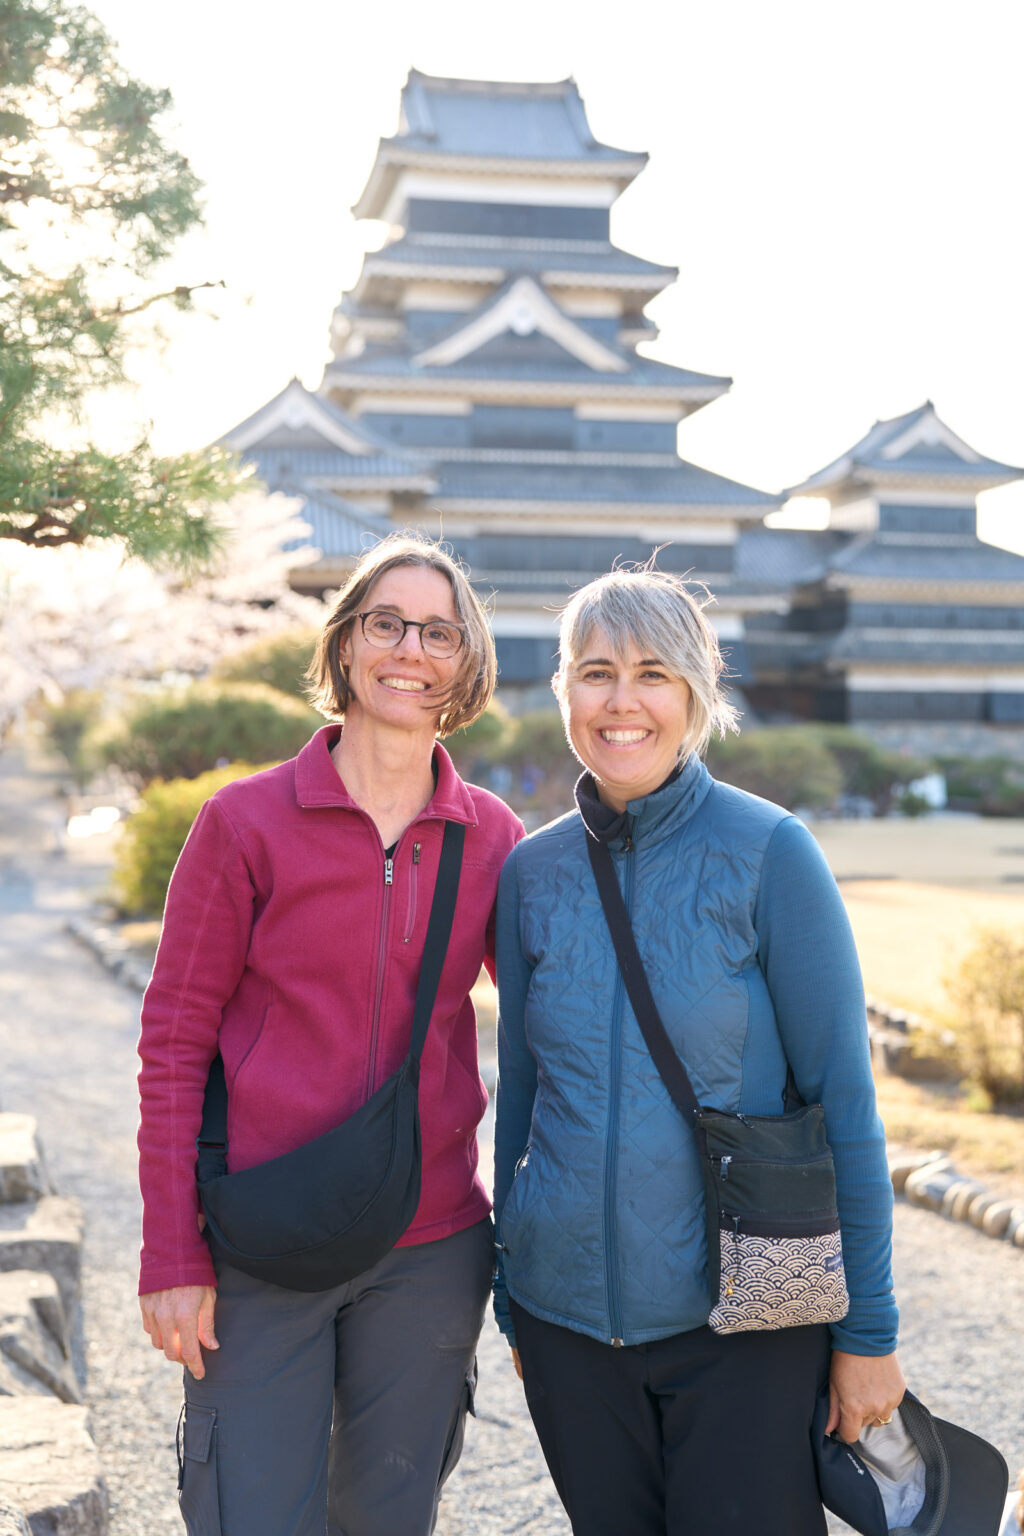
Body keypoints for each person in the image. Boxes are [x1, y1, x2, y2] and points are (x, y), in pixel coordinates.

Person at [493, 565, 905, 1536]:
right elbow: (520, 1100)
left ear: (696, 694)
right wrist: (515, 1301)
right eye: (594, 672)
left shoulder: (772, 853)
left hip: (747, 1325)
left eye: (652, 673)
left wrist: (869, 1333)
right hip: (566, 1327)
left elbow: (843, 1103)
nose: (621, 701)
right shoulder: (530, 873)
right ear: (562, 691)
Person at [138, 533, 523, 1536]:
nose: (412, 649)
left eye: (439, 631)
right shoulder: (244, 825)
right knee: (250, 1516)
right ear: (346, 646)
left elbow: (557, 1026)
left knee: (388, 1519)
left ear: (465, 660)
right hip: (262, 1239)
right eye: (386, 624)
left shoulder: (491, 837)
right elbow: (174, 1040)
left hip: (431, 1245)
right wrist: (172, 1251)